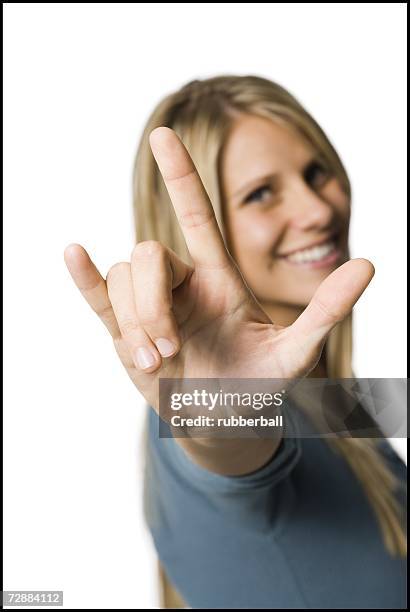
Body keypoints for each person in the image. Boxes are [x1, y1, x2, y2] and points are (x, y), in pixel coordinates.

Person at [64, 75, 407, 609]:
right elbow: (224, 436)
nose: (318, 209)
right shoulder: (218, 412)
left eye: (317, 172)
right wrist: (215, 413)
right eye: (261, 194)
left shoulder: (325, 398)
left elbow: (391, 406)